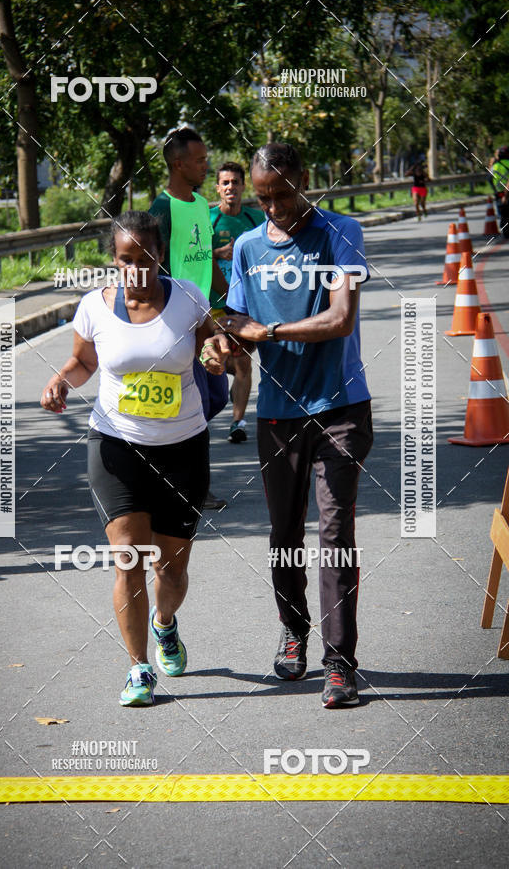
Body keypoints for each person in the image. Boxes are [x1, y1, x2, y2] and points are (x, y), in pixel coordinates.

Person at [201, 143, 373, 708]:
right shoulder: (248, 247)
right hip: (278, 415)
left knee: (334, 535)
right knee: (283, 536)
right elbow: (236, 316)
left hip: (341, 407)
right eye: (263, 197)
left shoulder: (339, 232)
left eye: (282, 193)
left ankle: (341, 664)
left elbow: (341, 318)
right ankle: (294, 630)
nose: (272, 206)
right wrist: (224, 342)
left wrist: (269, 334)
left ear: (304, 178)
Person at [40, 211, 224, 707]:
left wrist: (214, 351)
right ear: (113, 260)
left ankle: (165, 624)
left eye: (145, 260)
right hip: (116, 445)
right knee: (129, 559)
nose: (137, 271)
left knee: (172, 569)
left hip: (183, 448)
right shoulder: (92, 308)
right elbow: (83, 363)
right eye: (126, 260)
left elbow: (211, 342)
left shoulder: (187, 297)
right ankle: (138, 669)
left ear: (158, 256)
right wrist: (61, 379)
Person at [149, 127, 228, 508]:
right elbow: (150, 268)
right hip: (178, 323)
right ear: (178, 164)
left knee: (217, 395)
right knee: (197, 404)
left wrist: (229, 303)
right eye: (199, 161)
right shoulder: (161, 209)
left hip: (205, 319)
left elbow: (208, 256)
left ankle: (169, 468)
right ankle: (191, 486)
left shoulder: (201, 205)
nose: (205, 166)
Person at [210, 161, 264, 443]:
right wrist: (218, 253)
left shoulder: (257, 219)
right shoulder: (208, 220)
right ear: (218, 188)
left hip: (244, 303)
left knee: (243, 363)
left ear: (244, 186)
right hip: (213, 303)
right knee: (220, 358)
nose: (231, 187)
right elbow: (194, 258)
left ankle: (237, 422)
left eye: (236, 182)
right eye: (225, 183)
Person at [489, 146, 509, 238]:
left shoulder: (494, 166)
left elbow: (489, 178)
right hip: (506, 191)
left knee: (502, 212)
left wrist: (495, 190)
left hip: (499, 192)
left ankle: (505, 228)